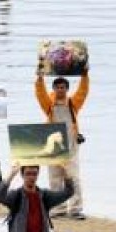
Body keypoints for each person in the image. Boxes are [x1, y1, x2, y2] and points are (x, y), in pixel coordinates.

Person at [35, 63, 90, 218]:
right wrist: (39, 78)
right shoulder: (49, 105)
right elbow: (40, 94)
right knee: (55, 178)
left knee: (73, 177)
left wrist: (85, 76)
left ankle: (75, 209)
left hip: (71, 144)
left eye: (63, 87)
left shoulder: (73, 103)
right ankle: (57, 209)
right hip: (53, 144)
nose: (60, 90)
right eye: (57, 87)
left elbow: (83, 91)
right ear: (54, 89)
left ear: (67, 89)